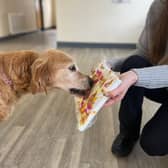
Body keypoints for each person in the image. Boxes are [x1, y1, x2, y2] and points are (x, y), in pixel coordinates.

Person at [104, 0, 168, 157]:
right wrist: (110, 65)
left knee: (153, 143)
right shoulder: (160, 6)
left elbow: (136, 74)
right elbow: (144, 53)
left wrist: (135, 76)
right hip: (163, 83)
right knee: (134, 63)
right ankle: (128, 134)